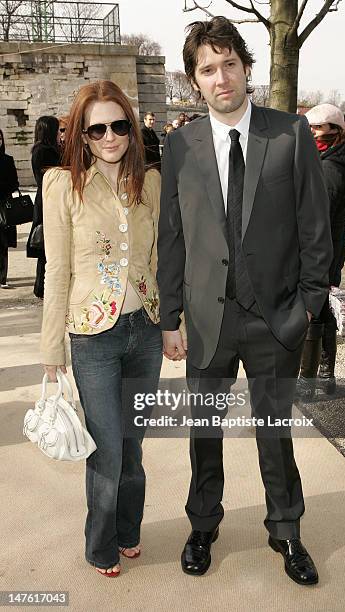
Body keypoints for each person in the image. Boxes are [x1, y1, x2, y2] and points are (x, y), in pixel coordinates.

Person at [157, 16, 332, 585]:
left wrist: (309, 304)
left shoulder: (289, 134)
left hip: (276, 318)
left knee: (274, 434)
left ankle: (286, 531)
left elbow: (314, 226)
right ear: (194, 82)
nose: (221, 77)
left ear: (247, 68)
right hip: (207, 319)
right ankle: (203, 524)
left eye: (229, 64)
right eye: (207, 69)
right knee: (203, 433)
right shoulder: (180, 145)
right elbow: (172, 236)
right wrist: (168, 317)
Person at [40, 80, 163, 577]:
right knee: (107, 450)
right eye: (97, 128)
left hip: (146, 331)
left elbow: (159, 258)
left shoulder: (150, 183)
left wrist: (172, 324)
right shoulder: (61, 185)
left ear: (131, 130)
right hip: (92, 336)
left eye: (118, 125)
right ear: (82, 135)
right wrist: (53, 347)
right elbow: (57, 268)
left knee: (133, 448)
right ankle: (100, 542)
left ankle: (130, 530)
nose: (109, 136)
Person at [297, 104, 345, 398]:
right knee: (321, 309)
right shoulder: (329, 158)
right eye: (310, 127)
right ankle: (324, 376)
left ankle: (310, 380)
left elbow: (318, 220)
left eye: (318, 127)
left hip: (322, 251)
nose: (312, 132)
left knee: (316, 311)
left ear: (334, 130)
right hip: (328, 248)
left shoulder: (330, 167)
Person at [27, 116, 60, 298]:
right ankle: (41, 286)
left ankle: (42, 285)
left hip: (47, 198)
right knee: (45, 245)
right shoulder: (44, 151)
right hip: (48, 199)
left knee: (47, 246)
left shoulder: (43, 149)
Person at [0, 129, 19, 288]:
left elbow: (15, 182)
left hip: (4, 205)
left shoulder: (7, 160)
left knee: (3, 243)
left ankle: (2, 277)